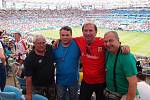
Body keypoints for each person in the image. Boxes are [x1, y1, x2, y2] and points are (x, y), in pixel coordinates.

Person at [74, 22, 106, 100]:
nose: (88, 33)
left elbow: (114, 45)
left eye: (90, 30)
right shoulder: (79, 40)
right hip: (86, 81)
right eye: (85, 30)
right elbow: (66, 39)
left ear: (96, 32)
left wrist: (124, 47)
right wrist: (58, 40)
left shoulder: (103, 42)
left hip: (101, 82)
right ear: (82, 32)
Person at [103, 31, 138, 100]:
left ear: (118, 40)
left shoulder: (126, 57)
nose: (108, 44)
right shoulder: (108, 52)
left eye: (111, 41)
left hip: (125, 94)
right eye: (106, 41)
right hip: (111, 93)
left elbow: (133, 83)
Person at [24, 34, 56, 100]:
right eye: (39, 43)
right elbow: (28, 78)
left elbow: (59, 43)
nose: (41, 45)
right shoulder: (30, 58)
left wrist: (59, 40)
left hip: (51, 84)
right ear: (34, 44)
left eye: (43, 43)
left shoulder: (49, 48)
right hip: (37, 86)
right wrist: (28, 94)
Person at [53, 26, 80, 100]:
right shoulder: (55, 46)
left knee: (74, 98)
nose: (65, 37)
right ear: (60, 36)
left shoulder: (77, 44)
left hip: (74, 80)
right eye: (62, 35)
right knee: (60, 98)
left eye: (67, 35)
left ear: (71, 35)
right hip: (60, 80)